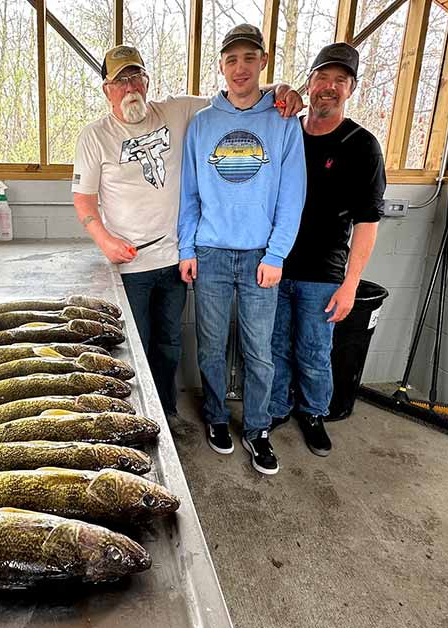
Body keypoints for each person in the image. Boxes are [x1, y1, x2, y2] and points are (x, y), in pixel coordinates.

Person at [72, 45, 302, 419]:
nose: (130, 87)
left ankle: (165, 414)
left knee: (169, 344)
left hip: (174, 257)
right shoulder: (94, 136)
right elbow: (83, 201)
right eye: (119, 81)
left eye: (136, 77)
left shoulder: (177, 111)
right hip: (128, 265)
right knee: (132, 346)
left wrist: (282, 89)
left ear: (147, 81)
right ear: (106, 89)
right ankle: (131, 417)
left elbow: (237, 94)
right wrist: (104, 240)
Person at [177, 24, 306, 475]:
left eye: (249, 58)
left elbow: (293, 196)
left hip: (259, 257)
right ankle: (215, 417)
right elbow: (189, 194)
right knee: (211, 346)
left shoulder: (284, 122)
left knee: (258, 350)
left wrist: (276, 255)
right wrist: (186, 247)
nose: (240, 68)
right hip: (210, 252)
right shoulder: (203, 124)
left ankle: (257, 430)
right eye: (231, 60)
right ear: (220, 66)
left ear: (263, 63)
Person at [269, 43, 383, 456]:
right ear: (309, 82)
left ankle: (314, 412)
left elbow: (367, 224)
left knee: (315, 350)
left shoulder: (361, 145)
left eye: (340, 80)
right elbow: (243, 95)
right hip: (274, 265)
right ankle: (278, 405)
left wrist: (350, 285)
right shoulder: (285, 131)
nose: (329, 88)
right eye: (322, 78)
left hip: (323, 273)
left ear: (351, 88)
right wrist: (280, 87)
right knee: (274, 344)